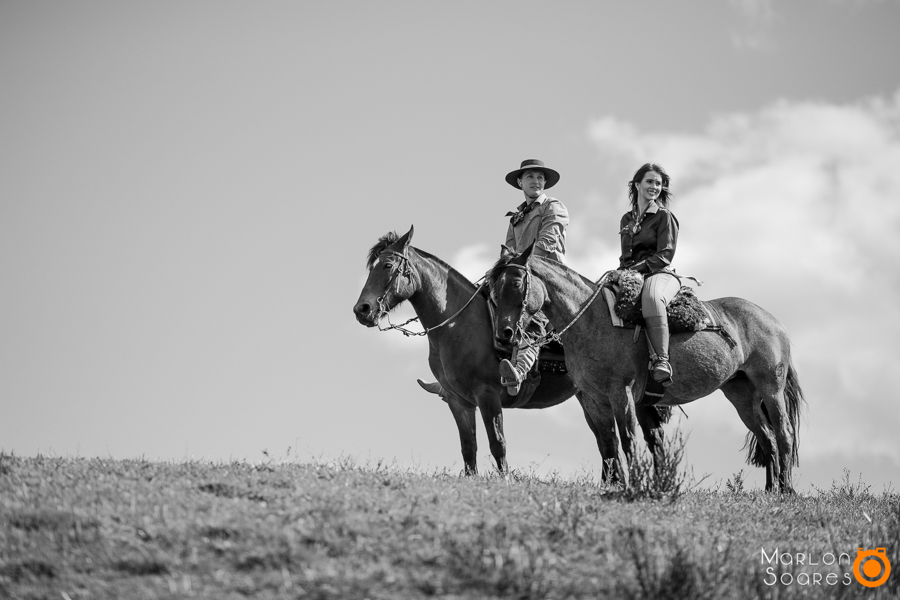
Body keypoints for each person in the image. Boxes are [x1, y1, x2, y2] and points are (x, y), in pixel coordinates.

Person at [497, 159, 569, 395]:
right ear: (520, 182)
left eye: (540, 177)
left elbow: (548, 241)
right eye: (530, 177)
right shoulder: (515, 217)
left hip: (547, 278)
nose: (536, 181)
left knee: (533, 318)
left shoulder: (553, 206)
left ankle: (518, 372)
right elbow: (508, 252)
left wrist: (521, 265)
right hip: (520, 276)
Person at [618, 162, 680, 386]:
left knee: (652, 298)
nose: (655, 186)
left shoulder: (664, 216)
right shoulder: (626, 220)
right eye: (650, 182)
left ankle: (661, 360)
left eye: (659, 184)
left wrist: (633, 271)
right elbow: (625, 258)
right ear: (637, 185)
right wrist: (618, 273)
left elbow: (665, 255)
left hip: (660, 273)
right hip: (632, 273)